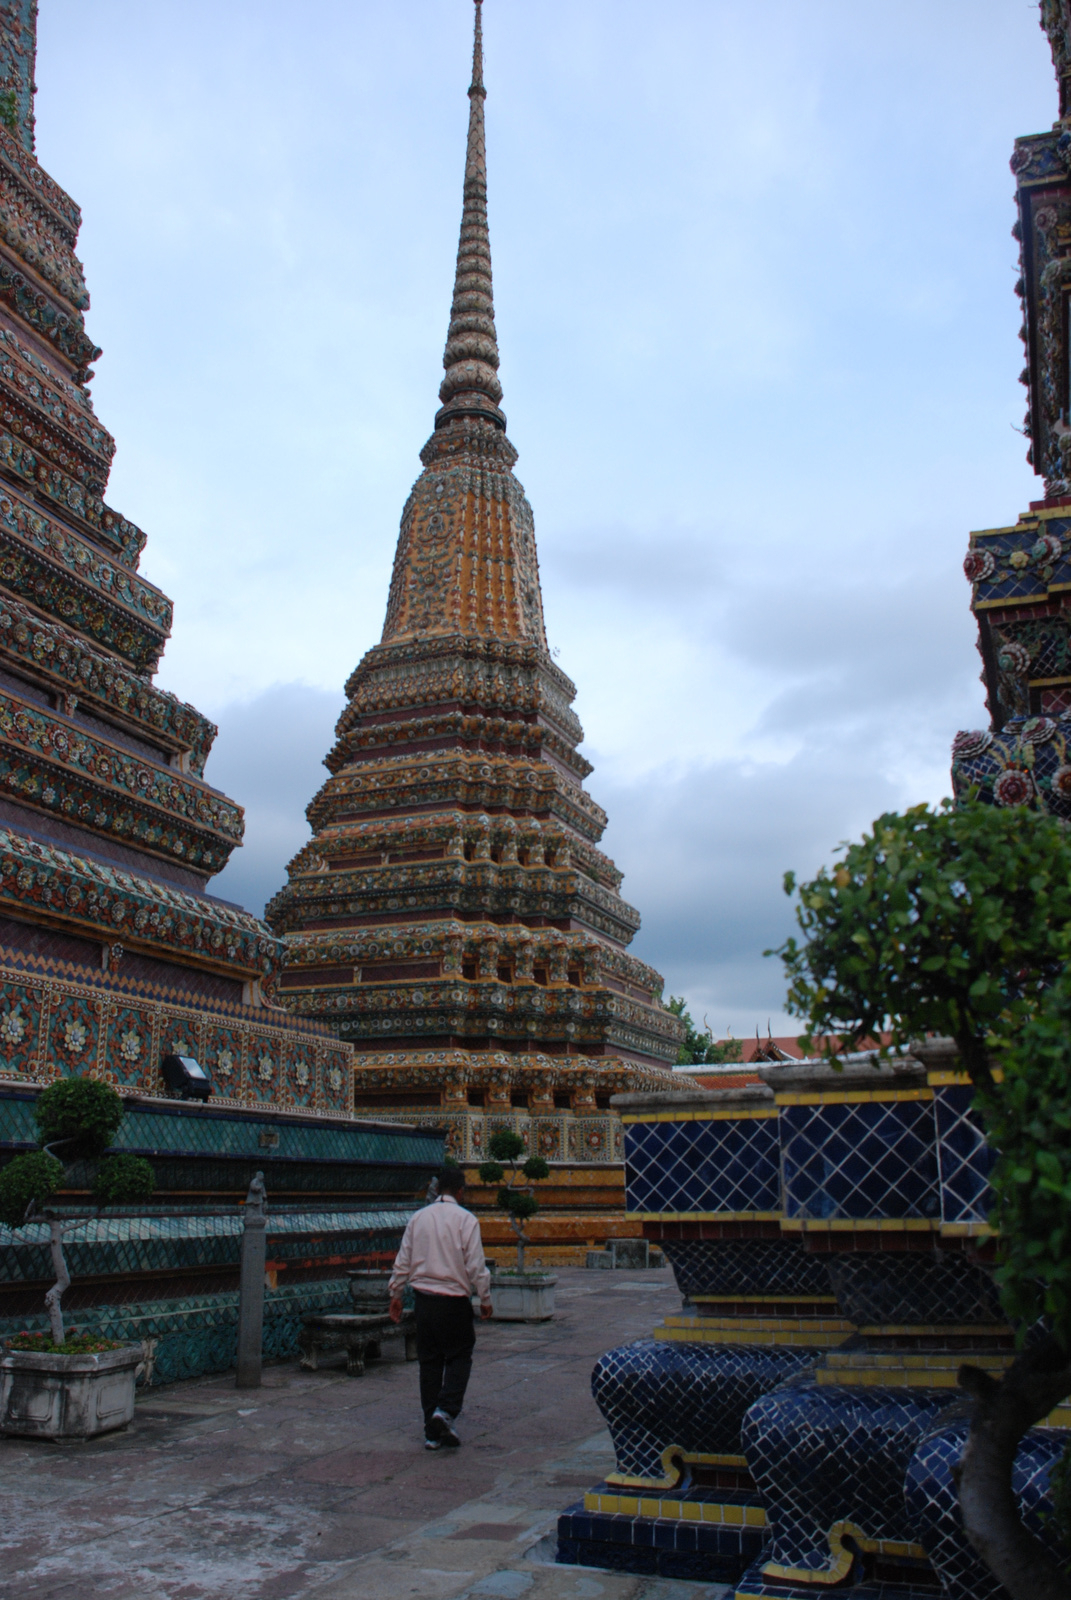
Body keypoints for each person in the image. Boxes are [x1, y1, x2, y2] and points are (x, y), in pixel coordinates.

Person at [388, 1163, 493, 1450]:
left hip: (424, 1301)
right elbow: (476, 1266)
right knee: (459, 1356)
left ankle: (432, 1431)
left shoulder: (418, 1219)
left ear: (437, 1189)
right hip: (454, 1301)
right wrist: (485, 1298)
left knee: (430, 1363)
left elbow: (403, 1261)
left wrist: (396, 1294)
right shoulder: (466, 1220)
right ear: (460, 1191)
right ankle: (445, 1411)